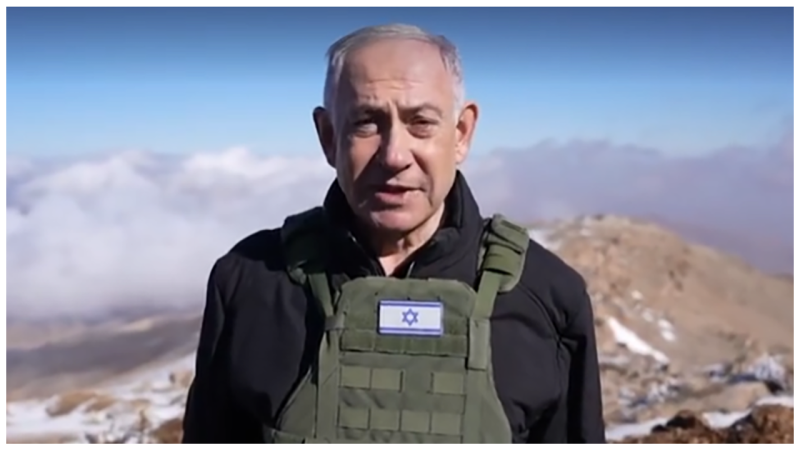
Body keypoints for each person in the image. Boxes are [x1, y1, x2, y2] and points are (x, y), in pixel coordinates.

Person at [181, 23, 606, 444]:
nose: (394, 155)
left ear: (461, 134)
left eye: (421, 122)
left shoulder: (546, 296)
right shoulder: (251, 282)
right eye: (366, 123)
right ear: (328, 137)